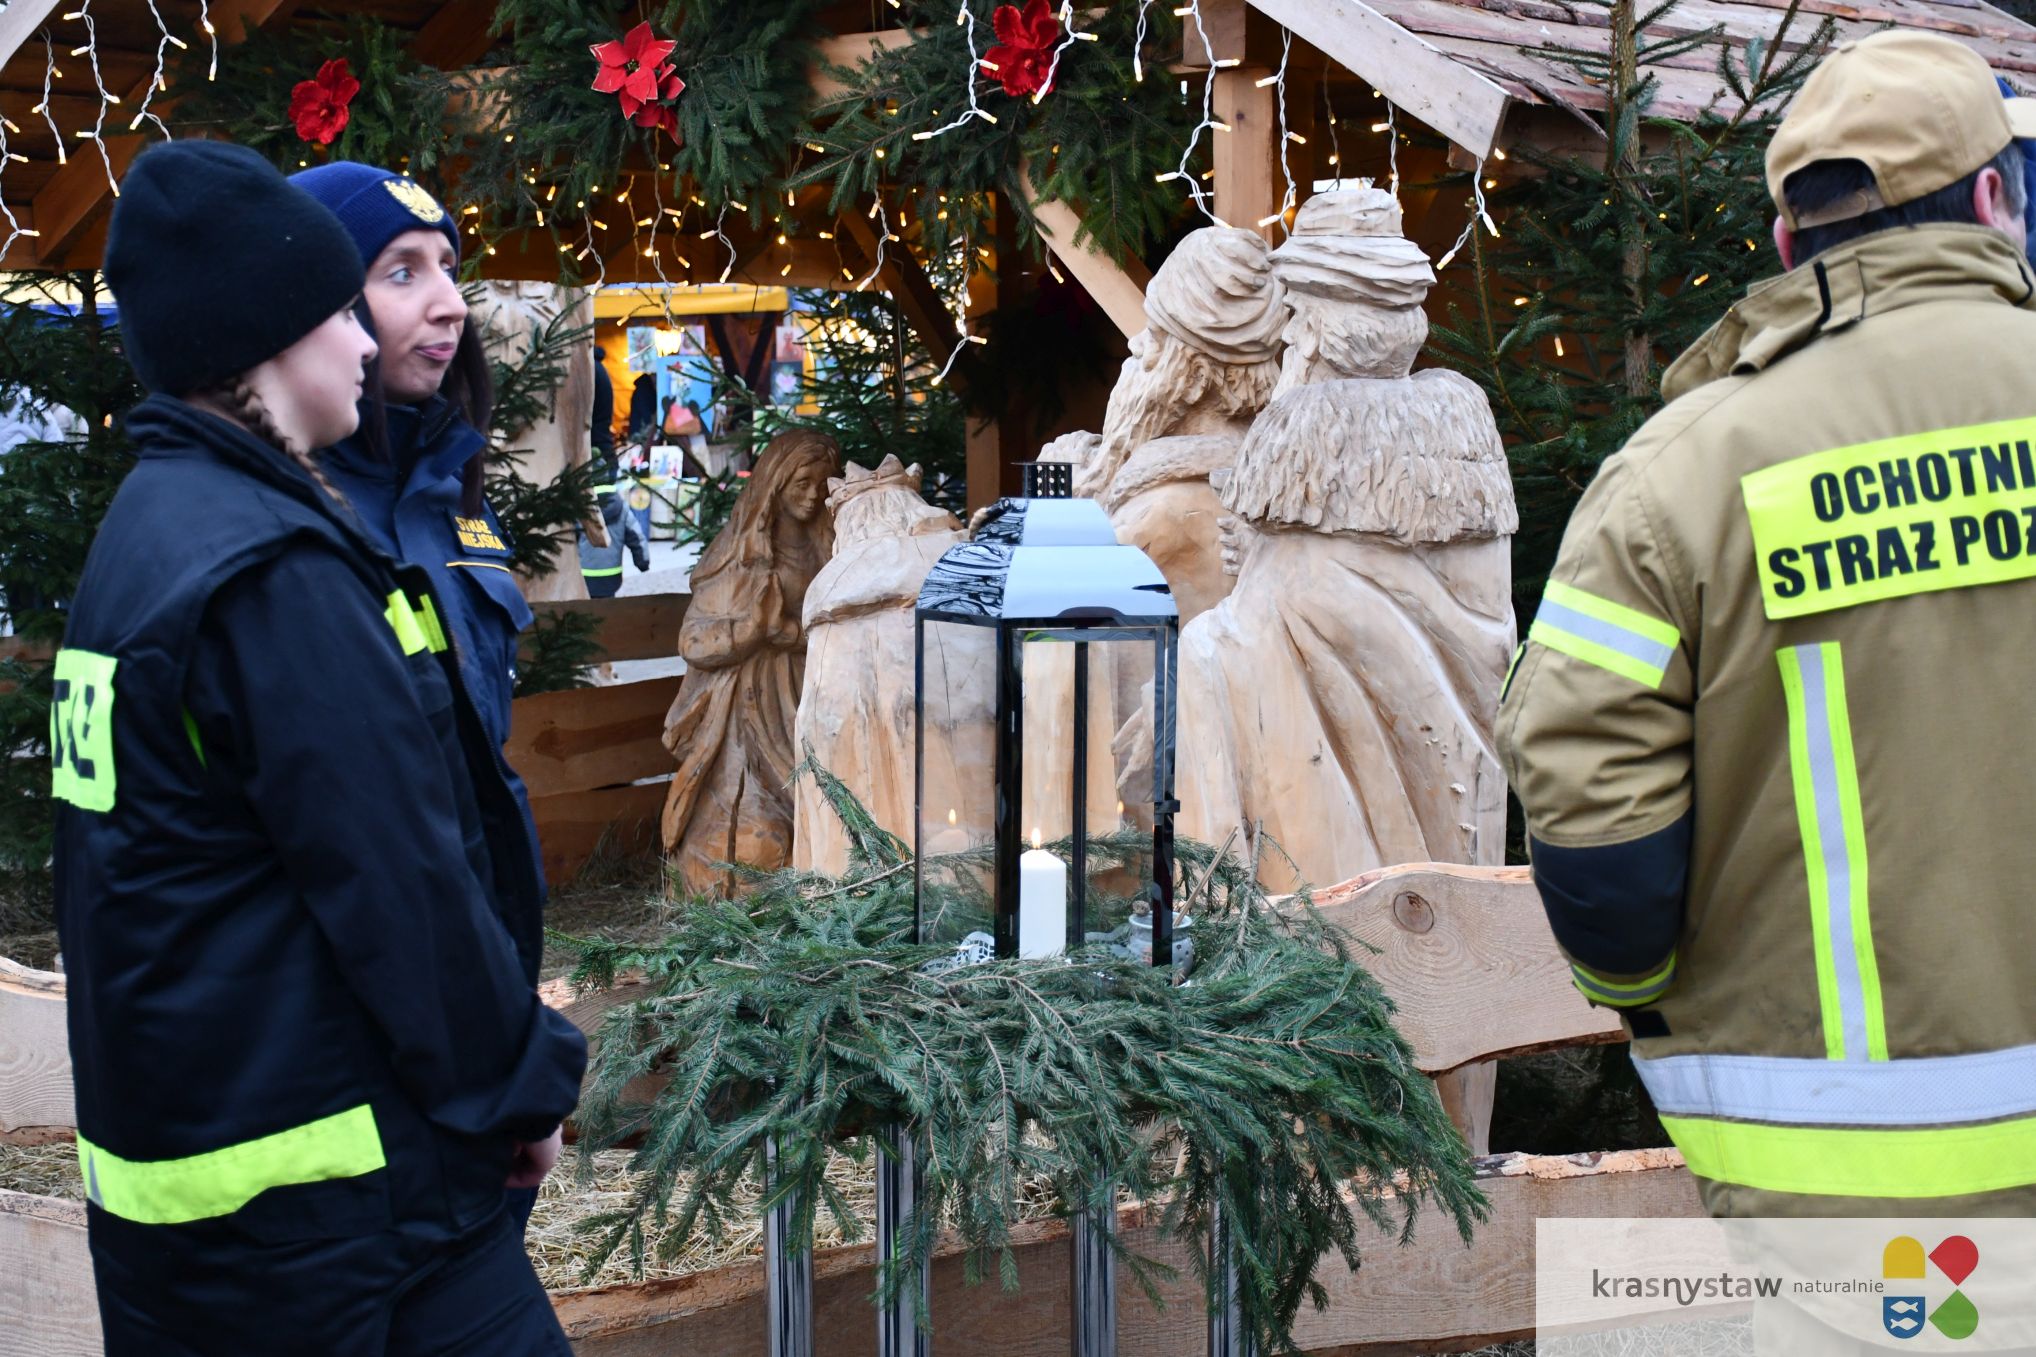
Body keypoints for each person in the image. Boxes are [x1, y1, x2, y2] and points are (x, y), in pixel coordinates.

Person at [56, 141, 586, 1354]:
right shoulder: (271, 570)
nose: (360, 345)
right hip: (339, 1209)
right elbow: (398, 877)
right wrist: (519, 1086)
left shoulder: (148, 531)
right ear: (266, 341)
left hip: (205, 1209)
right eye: (336, 314)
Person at [1500, 30, 2036, 1226]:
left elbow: (1587, 806)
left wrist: (1639, 985)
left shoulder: (1675, 478)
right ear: (1992, 202)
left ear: (1790, 243)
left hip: (1845, 1182)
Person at [287, 162, 542, 892]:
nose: (452, 305)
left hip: (472, 914)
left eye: (448, 268)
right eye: (402, 272)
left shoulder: (451, 489)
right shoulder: (278, 507)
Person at [660, 428, 837, 896]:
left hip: (814, 693)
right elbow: (694, 640)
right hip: (748, 711)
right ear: (775, 483)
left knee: (829, 803)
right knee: (754, 833)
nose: (813, 495)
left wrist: (792, 634)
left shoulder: (831, 544)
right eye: (801, 483)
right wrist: (751, 632)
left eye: (822, 484)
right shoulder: (738, 554)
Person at [579, 461, 651, 599]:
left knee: (585, 607)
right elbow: (636, 536)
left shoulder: (581, 507)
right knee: (608, 607)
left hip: (584, 574)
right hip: (611, 575)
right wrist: (642, 562)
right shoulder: (622, 507)